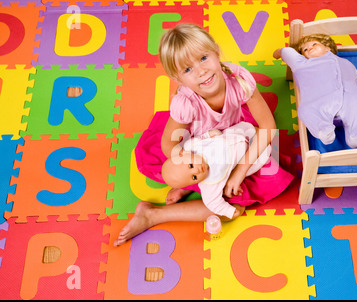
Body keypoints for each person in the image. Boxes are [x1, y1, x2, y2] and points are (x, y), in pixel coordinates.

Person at [114, 24, 293, 246]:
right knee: (229, 205)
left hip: (233, 139)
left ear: (216, 52)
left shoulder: (240, 82)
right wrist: (188, 166)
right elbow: (168, 143)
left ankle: (170, 201)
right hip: (199, 147)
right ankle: (158, 209)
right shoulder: (186, 103)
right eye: (187, 70)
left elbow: (268, 127)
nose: (201, 71)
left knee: (261, 163)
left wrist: (239, 172)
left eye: (204, 58)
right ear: (177, 78)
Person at [273, 33, 357, 148]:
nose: (310, 48)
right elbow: (287, 52)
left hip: (350, 100)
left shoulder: (345, 62)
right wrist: (278, 52)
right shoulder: (302, 64)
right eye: (305, 50)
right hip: (321, 103)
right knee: (305, 110)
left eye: (314, 44)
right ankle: (323, 129)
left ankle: (355, 135)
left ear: (328, 47)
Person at [162, 122, 272, 219]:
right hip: (243, 158)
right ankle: (263, 148)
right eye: (194, 177)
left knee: (245, 128)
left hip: (233, 135)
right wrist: (229, 211)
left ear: (186, 154)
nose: (197, 171)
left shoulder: (191, 147)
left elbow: (200, 138)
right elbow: (212, 203)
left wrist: (208, 134)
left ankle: (253, 133)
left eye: (191, 166)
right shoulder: (210, 185)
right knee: (264, 153)